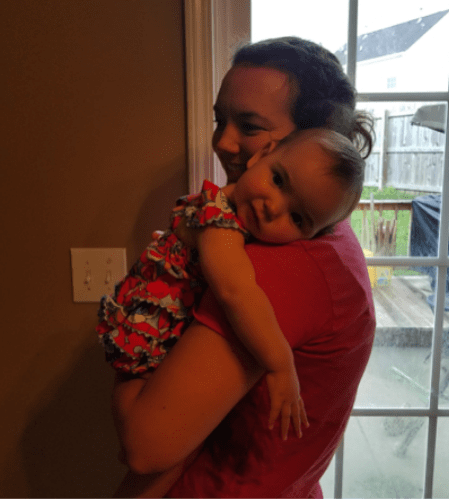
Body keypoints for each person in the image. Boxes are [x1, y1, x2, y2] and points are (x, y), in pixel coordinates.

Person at [110, 36, 376, 499]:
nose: (222, 141)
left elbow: (146, 445)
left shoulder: (277, 267)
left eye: (249, 126)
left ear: (312, 140)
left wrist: (133, 332)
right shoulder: (325, 236)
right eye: (221, 119)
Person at [98, 127, 365, 443]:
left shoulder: (232, 207)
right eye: (278, 180)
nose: (273, 207)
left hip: (163, 327)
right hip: (149, 333)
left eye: (297, 218)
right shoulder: (219, 222)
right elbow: (235, 292)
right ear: (262, 154)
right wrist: (281, 365)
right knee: (148, 441)